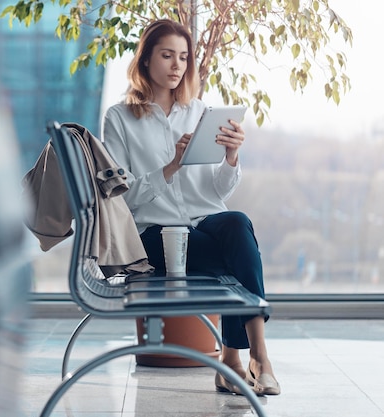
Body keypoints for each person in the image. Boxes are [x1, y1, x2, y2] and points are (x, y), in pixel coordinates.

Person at [101, 19, 280, 396]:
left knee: (237, 224)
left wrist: (231, 156)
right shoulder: (119, 118)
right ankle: (237, 359)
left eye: (183, 57)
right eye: (167, 55)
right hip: (152, 237)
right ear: (146, 60)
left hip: (202, 223)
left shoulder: (201, 112)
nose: (176, 65)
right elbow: (122, 199)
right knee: (238, 255)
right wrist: (170, 167)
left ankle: (254, 356)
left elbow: (219, 190)